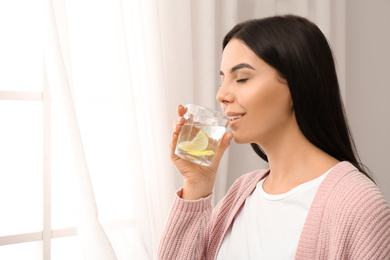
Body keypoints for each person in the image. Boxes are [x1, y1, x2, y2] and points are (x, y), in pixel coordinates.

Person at [158, 15, 390, 259]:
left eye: (242, 78)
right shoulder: (240, 194)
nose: (222, 95)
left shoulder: (357, 205)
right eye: (222, 79)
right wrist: (196, 185)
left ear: (297, 85)